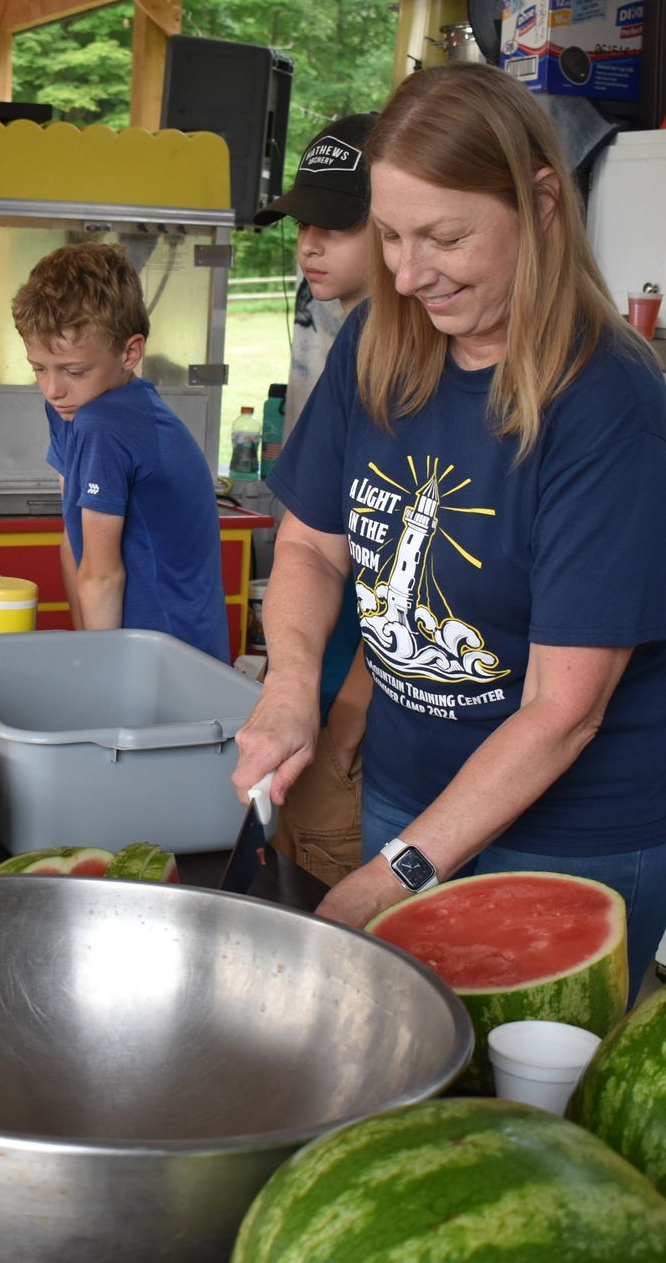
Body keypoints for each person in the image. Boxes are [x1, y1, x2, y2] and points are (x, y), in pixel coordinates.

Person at [232, 64, 666, 1002]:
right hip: (409, 789)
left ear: (539, 204)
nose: (408, 274)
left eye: (445, 237)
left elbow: (564, 707)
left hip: (572, 837)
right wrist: (290, 690)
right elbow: (312, 545)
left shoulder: (606, 405)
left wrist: (396, 874)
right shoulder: (380, 341)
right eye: (393, 235)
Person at [250, 112, 378, 886]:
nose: (309, 243)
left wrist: (357, 699)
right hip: (317, 702)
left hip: (360, 725)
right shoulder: (355, 349)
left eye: (337, 224)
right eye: (303, 222)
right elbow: (311, 541)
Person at [11, 242, 227, 661]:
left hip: (171, 659)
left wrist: (98, 669)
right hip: (139, 651)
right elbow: (73, 544)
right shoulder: (74, 409)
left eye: (74, 370)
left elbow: (104, 575)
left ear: (130, 353)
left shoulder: (103, 424)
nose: (53, 388)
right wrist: (89, 654)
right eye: (38, 368)